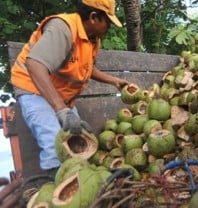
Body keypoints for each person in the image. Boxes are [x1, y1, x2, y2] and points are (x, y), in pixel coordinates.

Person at [10, 0, 129, 176]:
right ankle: (54, 190)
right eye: (108, 22)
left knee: (81, 144)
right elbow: (35, 64)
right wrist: (61, 110)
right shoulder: (63, 28)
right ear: (94, 17)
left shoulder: (92, 39)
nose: (109, 27)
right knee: (55, 149)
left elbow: (86, 68)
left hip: (59, 96)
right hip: (33, 88)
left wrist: (113, 81)